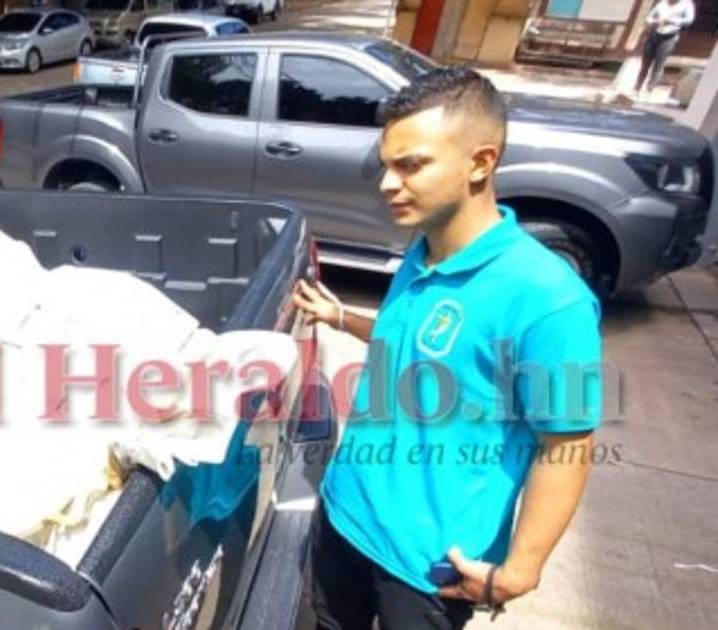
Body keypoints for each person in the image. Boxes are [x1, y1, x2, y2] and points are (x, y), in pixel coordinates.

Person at [295, 67, 602, 629]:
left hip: (428, 568)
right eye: (386, 165)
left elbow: (567, 442)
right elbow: (415, 342)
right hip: (345, 513)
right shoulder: (422, 252)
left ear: (480, 162)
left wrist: (521, 569)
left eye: (411, 166)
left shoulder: (549, 300)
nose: (387, 184)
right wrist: (341, 317)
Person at [636, 0, 696, 98]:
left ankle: (649, 90)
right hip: (654, 34)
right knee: (645, 64)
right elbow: (649, 17)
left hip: (669, 36)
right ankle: (637, 88)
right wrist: (654, 21)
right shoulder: (662, 3)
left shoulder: (687, 4)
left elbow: (689, 20)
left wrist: (672, 21)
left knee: (658, 64)